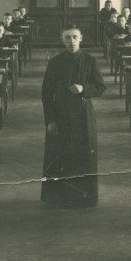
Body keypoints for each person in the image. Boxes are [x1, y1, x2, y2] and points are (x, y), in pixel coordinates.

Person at [41, 27, 106, 208]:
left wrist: (83, 88)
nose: (71, 41)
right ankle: (59, 197)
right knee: (61, 155)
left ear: (81, 39)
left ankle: (85, 197)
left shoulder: (90, 61)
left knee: (84, 155)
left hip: (83, 115)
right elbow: (46, 94)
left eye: (75, 37)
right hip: (60, 115)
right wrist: (50, 120)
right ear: (63, 40)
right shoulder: (55, 62)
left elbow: (100, 87)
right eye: (67, 38)